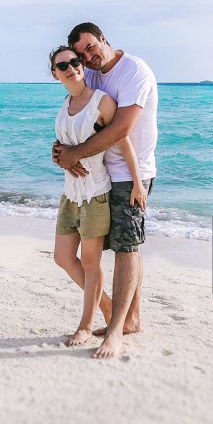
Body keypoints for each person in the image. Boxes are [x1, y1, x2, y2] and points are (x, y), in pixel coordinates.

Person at [53, 23, 157, 359]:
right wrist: (61, 153)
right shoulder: (92, 74)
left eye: (89, 47)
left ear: (103, 38)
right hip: (98, 177)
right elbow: (79, 118)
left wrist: (74, 155)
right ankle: (130, 318)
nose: (86, 57)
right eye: (80, 54)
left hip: (130, 173)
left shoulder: (133, 71)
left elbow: (122, 128)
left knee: (127, 248)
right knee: (126, 248)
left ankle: (115, 332)